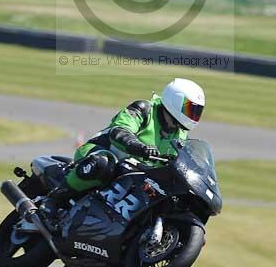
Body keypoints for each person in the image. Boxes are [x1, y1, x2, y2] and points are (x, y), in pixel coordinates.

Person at [48, 78, 205, 207]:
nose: (194, 115)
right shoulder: (144, 109)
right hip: (101, 151)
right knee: (103, 163)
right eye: (190, 109)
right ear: (174, 100)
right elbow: (119, 131)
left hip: (133, 174)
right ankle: (53, 201)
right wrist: (139, 147)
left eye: (197, 111)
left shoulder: (181, 134)